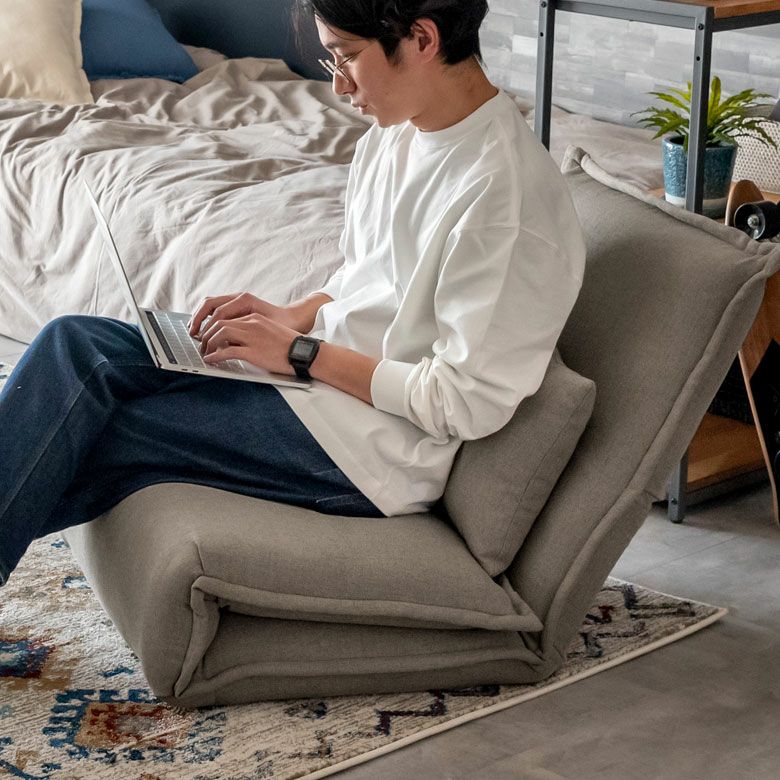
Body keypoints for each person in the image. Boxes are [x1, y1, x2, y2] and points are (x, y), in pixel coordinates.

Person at [0, 0, 586, 586]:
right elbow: (366, 279)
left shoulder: (501, 198)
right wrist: (291, 317)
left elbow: (459, 402)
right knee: (75, 343)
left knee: (97, 432)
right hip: (311, 385)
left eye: (346, 57)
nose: (338, 85)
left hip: (364, 449)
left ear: (422, 39)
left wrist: (300, 353)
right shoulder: (397, 133)